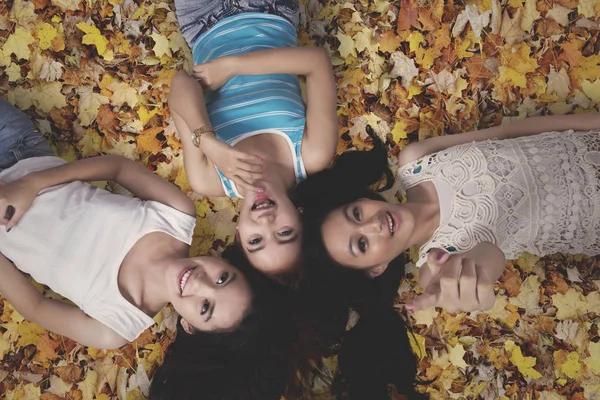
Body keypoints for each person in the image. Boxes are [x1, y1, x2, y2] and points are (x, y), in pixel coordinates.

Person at [0, 99, 292, 357]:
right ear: (225, 261)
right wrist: (32, 183)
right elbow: (117, 168)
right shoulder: (177, 216)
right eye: (222, 278)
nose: (199, 283)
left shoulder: (114, 327)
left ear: (189, 326)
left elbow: (35, 307)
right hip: (17, 150)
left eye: (205, 308)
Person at [295, 112, 600, 315]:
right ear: (377, 268)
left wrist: (593, 122)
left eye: (357, 214)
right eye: (361, 244)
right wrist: (461, 281)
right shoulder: (435, 265)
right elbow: (488, 254)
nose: (373, 224)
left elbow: (507, 133)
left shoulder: (415, 161)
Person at [168, 0, 338, 276]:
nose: (266, 222)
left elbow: (181, 84)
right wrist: (233, 67)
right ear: (300, 218)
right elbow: (316, 62)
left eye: (255, 240)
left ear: (239, 235)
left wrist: (209, 142)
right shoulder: (312, 153)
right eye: (284, 232)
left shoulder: (208, 177)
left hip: (200, 24)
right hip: (271, 9)